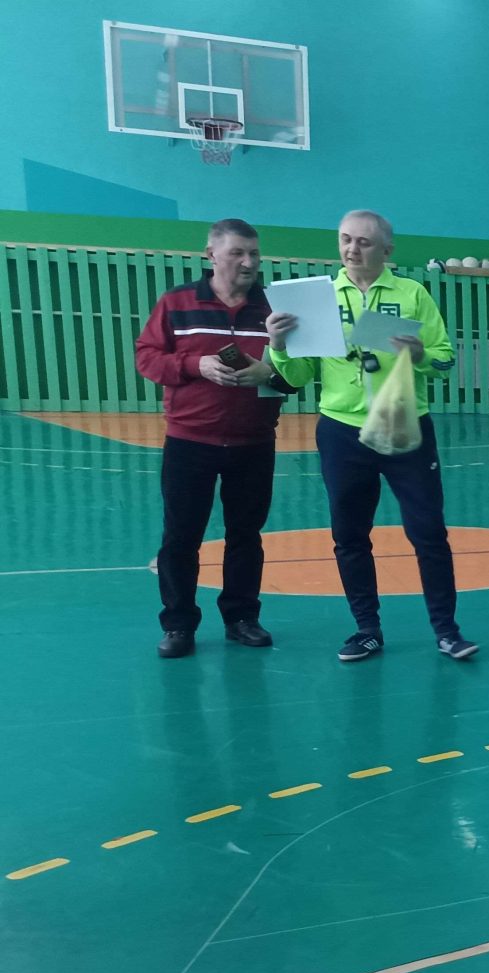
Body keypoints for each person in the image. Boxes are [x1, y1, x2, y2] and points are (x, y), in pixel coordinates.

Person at [266, 210, 477, 663]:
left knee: (428, 531)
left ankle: (447, 631)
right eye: (345, 239)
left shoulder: (412, 293)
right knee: (350, 534)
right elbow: (298, 376)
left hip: (405, 426)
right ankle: (366, 630)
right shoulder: (318, 298)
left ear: (387, 250)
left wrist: (419, 354)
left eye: (363, 242)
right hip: (341, 431)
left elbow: (445, 359)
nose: (352, 249)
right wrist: (278, 346)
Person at [135, 218, 293, 658]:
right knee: (180, 537)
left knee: (246, 535)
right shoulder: (176, 302)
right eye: (237, 253)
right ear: (211, 255)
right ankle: (178, 624)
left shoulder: (276, 309)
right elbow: (147, 357)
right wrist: (195, 365)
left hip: (254, 442)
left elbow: (298, 375)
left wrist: (272, 371)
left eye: (254, 253)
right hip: (190, 442)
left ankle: (242, 618)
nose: (248, 262)